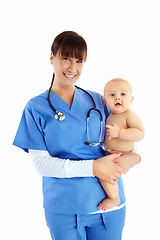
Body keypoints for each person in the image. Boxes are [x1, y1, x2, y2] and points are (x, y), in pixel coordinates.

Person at [13, 31, 141, 240]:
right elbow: (41, 164)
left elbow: (135, 138)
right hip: (64, 209)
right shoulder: (35, 108)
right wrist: (95, 167)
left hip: (108, 209)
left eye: (79, 61)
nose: (73, 68)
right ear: (52, 57)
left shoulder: (99, 100)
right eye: (66, 58)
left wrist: (130, 160)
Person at [98, 78, 145, 211]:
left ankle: (114, 198)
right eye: (112, 95)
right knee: (105, 171)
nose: (117, 98)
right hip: (111, 154)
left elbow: (140, 133)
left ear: (131, 99)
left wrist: (120, 133)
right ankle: (113, 196)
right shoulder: (110, 115)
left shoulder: (129, 115)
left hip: (123, 155)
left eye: (123, 94)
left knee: (106, 173)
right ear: (105, 101)